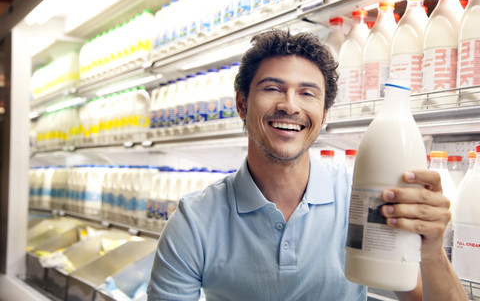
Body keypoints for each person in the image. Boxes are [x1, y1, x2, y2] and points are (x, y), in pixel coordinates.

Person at [147, 29, 467, 300]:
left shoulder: (360, 201)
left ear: (324, 115)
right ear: (242, 104)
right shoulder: (195, 221)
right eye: (273, 88)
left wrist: (431, 250)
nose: (290, 105)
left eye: (307, 93)